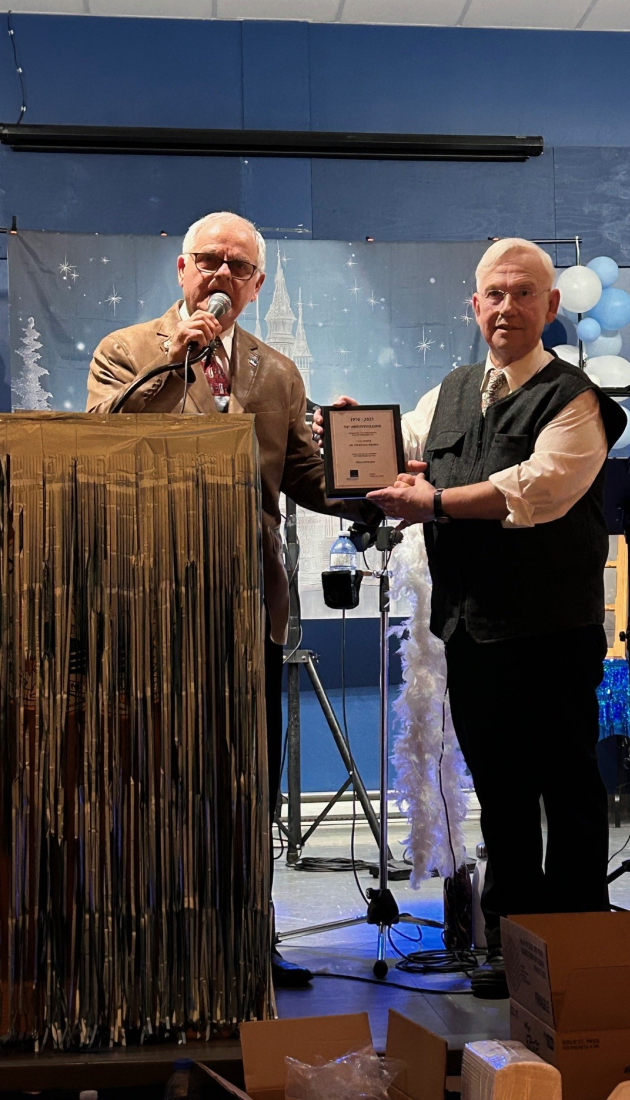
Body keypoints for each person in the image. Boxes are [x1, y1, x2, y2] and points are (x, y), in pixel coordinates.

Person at [321, 238, 626, 998]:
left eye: (522, 293)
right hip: (472, 629)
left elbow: (538, 488)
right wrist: (361, 435)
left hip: (552, 633)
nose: (506, 307)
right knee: (502, 795)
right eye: (494, 293)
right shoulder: (451, 391)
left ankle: (577, 945)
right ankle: (512, 949)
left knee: (568, 791)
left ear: (551, 306)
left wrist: (434, 501)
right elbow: (405, 449)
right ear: (474, 305)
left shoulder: (576, 399)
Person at [86, 211, 375, 988]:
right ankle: (148, 944)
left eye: (237, 266)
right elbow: (98, 439)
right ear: (182, 269)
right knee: (150, 776)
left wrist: (362, 471)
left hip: (248, 603)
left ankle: (248, 937)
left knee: (246, 780)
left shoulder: (276, 372)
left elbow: (305, 477)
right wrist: (173, 363)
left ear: (256, 285)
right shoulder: (125, 350)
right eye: (208, 259)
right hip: (145, 600)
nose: (220, 273)